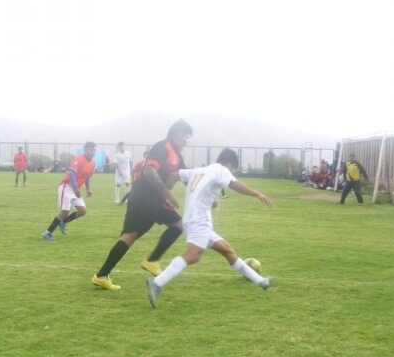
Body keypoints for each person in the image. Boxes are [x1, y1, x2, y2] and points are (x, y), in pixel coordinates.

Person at [145, 148, 273, 308]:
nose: (232, 172)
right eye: (233, 169)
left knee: (227, 250)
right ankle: (157, 282)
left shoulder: (200, 170)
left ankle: (261, 281)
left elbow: (173, 175)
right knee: (193, 256)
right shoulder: (221, 169)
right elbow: (234, 184)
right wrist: (258, 194)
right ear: (230, 164)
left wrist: (166, 196)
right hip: (200, 220)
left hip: (191, 218)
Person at [92, 119, 193, 291]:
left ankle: (101, 275)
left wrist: (205, 193)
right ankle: (152, 261)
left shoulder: (178, 156)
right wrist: (166, 193)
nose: (186, 142)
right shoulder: (162, 147)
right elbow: (149, 171)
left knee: (129, 237)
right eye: (186, 137)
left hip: (141, 198)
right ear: (177, 135)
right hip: (148, 197)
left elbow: (186, 177)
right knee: (178, 225)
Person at [41, 141, 96, 241]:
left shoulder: (92, 162)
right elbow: (71, 173)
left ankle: (63, 222)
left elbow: (87, 177)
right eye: (91, 149)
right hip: (66, 187)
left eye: (94, 150)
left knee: (82, 211)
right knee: (65, 212)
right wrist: (75, 189)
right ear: (86, 150)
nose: (93, 152)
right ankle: (47, 233)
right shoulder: (79, 159)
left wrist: (88, 189)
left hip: (75, 189)